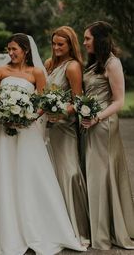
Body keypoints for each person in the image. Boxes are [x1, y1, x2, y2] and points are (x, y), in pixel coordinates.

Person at [0, 33, 86, 255]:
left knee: (30, 176)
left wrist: (28, 117)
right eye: (8, 49)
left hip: (27, 132)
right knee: (5, 175)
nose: (10, 53)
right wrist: (2, 115)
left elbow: (42, 103)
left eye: (14, 49)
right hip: (3, 132)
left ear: (26, 50)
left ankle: (38, 227)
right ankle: (8, 231)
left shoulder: (37, 72)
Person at [82, 21, 134, 250]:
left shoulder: (112, 63)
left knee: (102, 177)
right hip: (90, 124)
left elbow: (120, 101)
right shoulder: (95, 64)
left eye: (87, 39)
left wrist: (97, 117)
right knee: (95, 178)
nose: (84, 43)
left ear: (99, 39)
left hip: (104, 126)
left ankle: (104, 233)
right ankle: (98, 229)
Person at [44, 26, 90, 246]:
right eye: (54, 43)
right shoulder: (49, 64)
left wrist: (61, 112)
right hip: (47, 129)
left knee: (70, 173)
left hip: (65, 127)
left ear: (71, 45)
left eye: (60, 44)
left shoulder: (73, 67)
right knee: (52, 176)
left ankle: (78, 230)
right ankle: (57, 227)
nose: (56, 47)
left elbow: (78, 101)